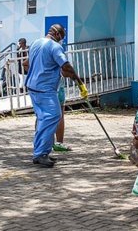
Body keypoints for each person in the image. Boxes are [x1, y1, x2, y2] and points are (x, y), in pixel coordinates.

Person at [25, 24, 87, 168]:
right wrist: (79, 83)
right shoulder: (55, 47)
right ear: (58, 35)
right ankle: (40, 153)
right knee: (53, 116)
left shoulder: (35, 43)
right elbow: (65, 66)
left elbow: (29, 63)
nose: (61, 41)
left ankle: (42, 151)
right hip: (45, 88)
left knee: (43, 118)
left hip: (33, 86)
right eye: (61, 38)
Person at [53, 77, 71, 152]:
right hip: (57, 85)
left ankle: (41, 144)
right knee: (60, 115)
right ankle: (59, 143)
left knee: (41, 116)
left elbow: (25, 64)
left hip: (44, 87)